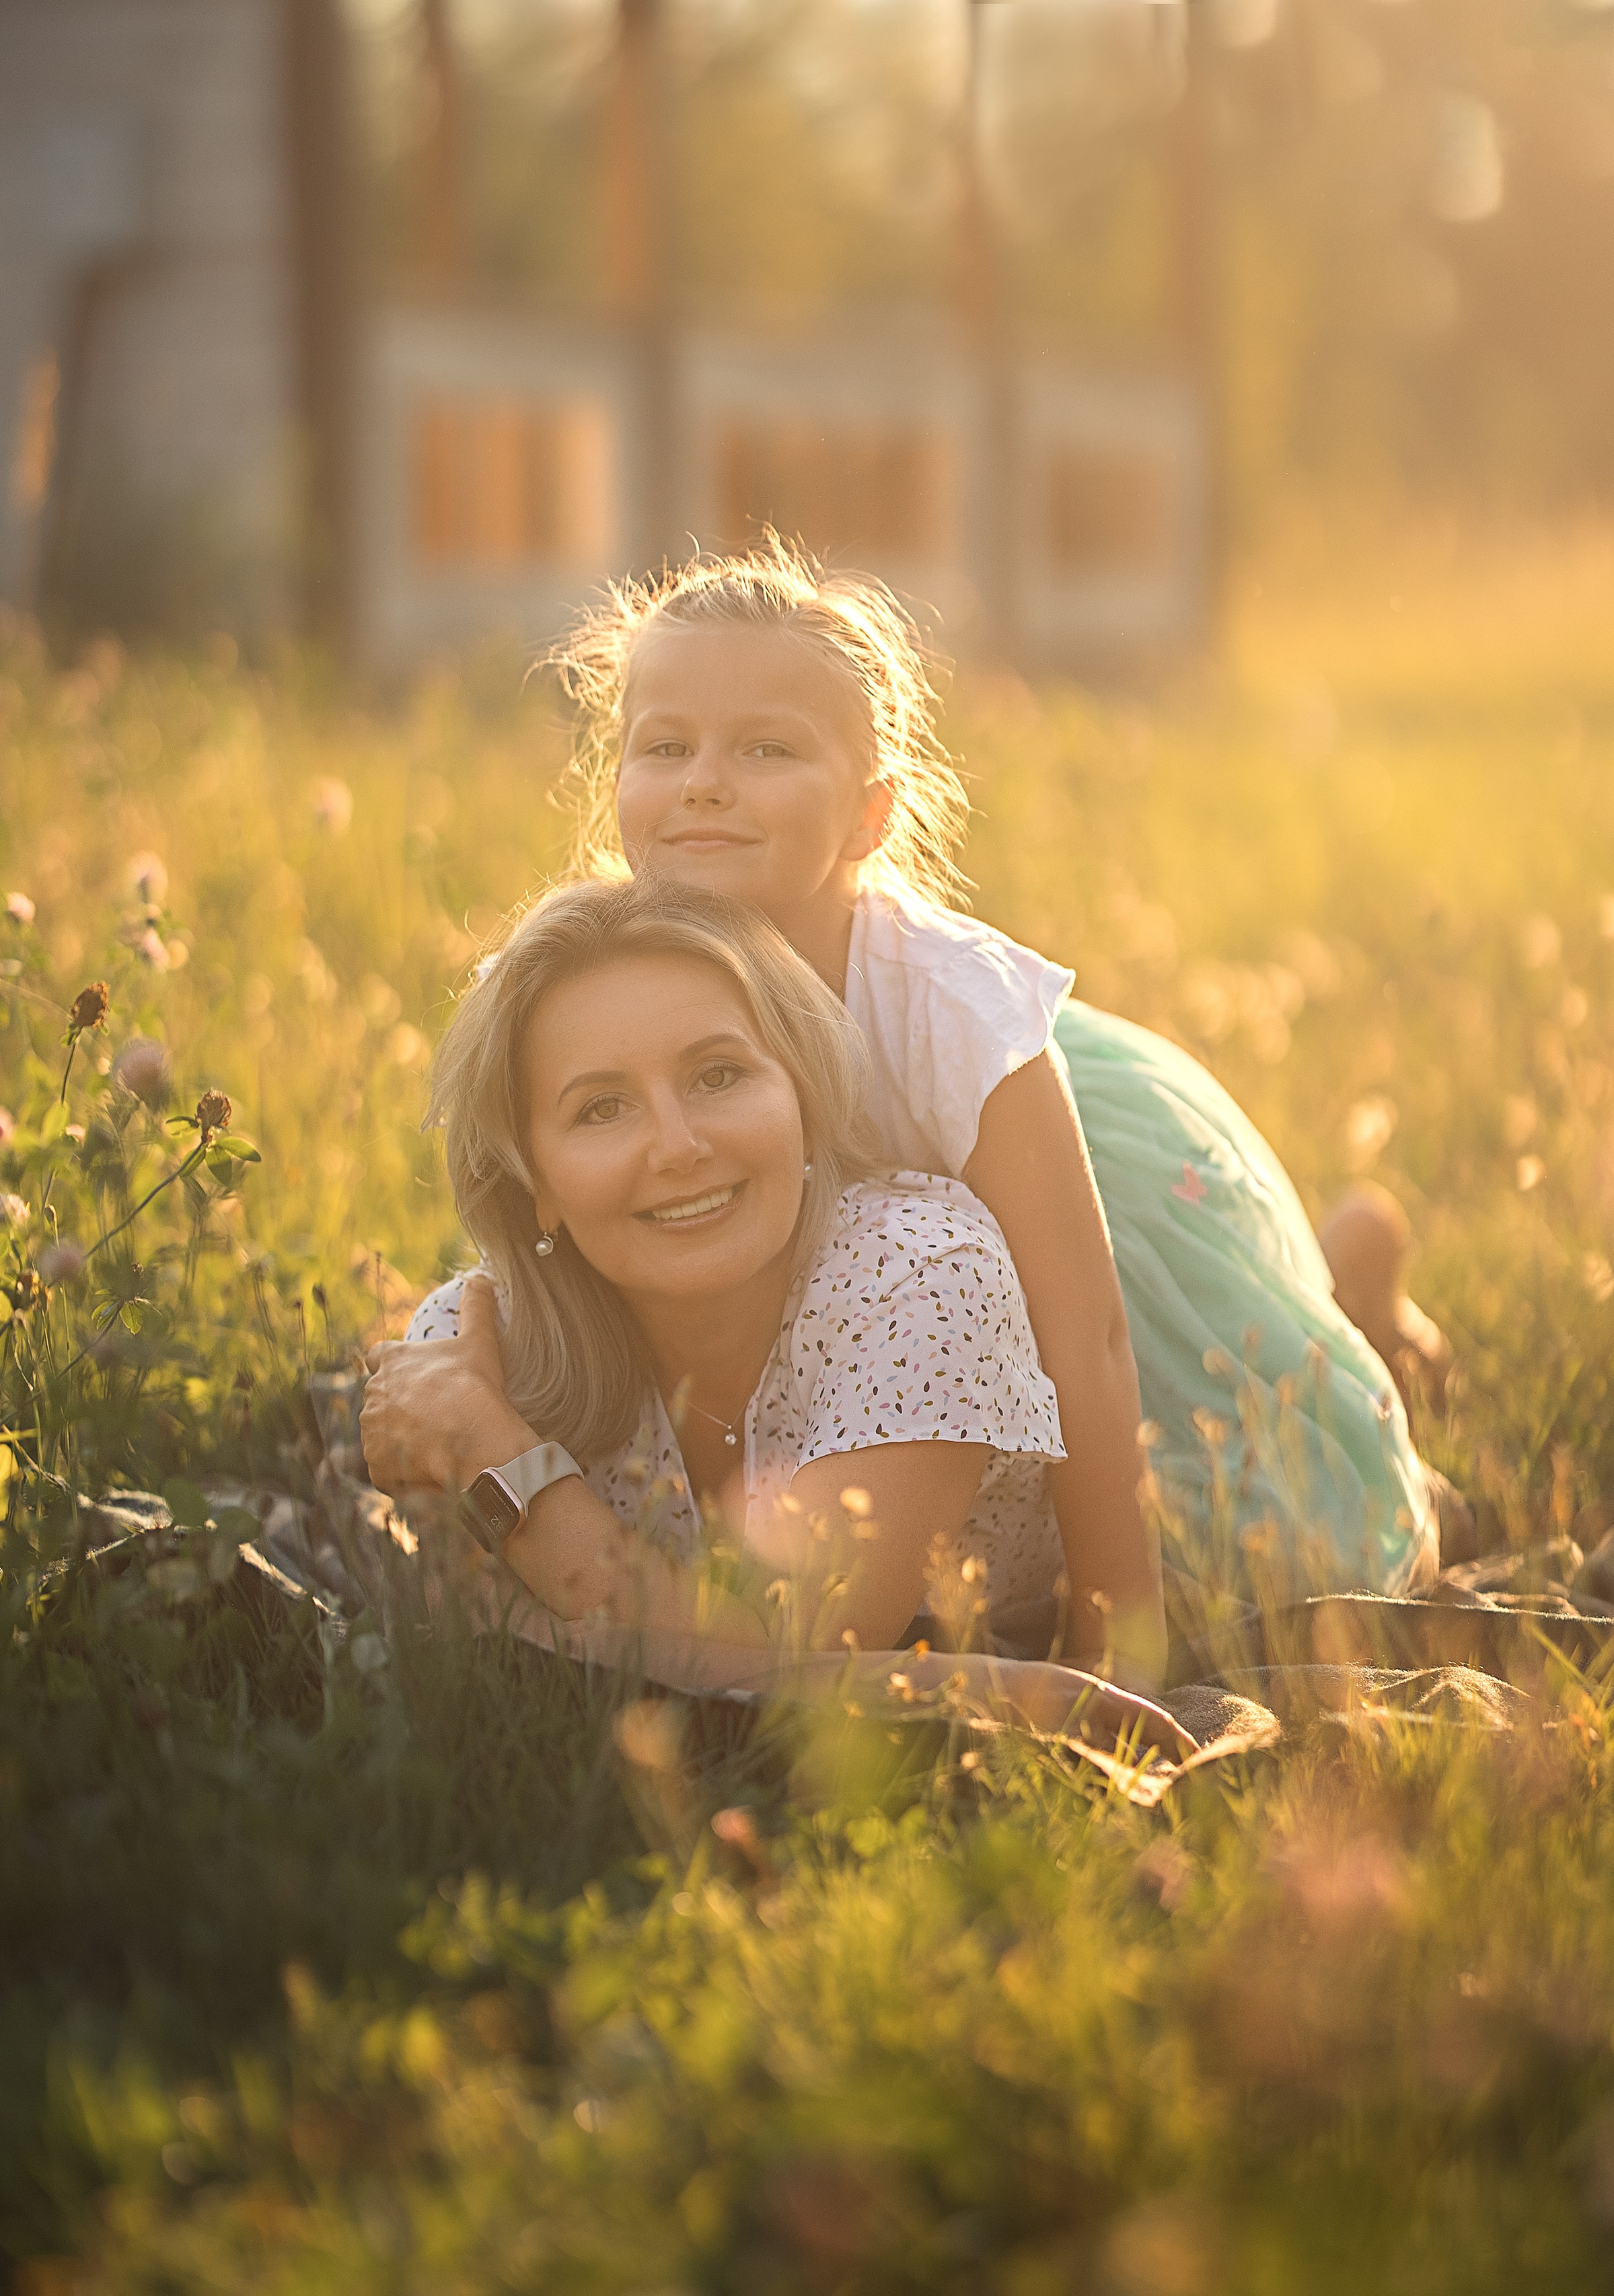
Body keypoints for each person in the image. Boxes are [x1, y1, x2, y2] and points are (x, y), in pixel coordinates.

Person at [539, 535, 1442, 1611]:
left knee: (1248, 1480)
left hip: (1066, 1206)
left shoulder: (946, 1009)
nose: (705, 788)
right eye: (666, 747)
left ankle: (1359, 1297)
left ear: (869, 814)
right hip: (863, 1297)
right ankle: (1355, 1289)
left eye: (766, 752)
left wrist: (1118, 1618)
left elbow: (1088, 1334)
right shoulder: (604, 969)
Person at [359, 873, 1184, 1739]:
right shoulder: (468, 1359)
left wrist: (500, 1463)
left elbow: (785, 1649)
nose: (679, 1146)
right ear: (535, 1182)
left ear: (800, 1094)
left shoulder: (926, 1277)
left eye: (718, 1075)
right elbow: (471, 1635)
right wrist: (966, 1686)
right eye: (601, 1107)